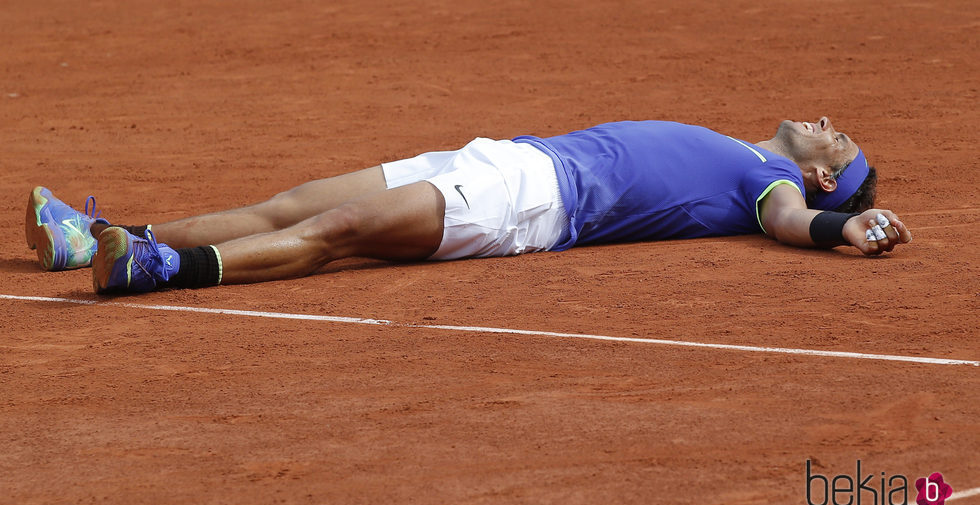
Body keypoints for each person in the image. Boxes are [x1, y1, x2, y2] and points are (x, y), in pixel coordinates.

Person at [25, 117, 912, 295]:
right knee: (290, 202)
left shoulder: (776, 187)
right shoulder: (751, 150)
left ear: (829, 178)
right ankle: (95, 240)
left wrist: (850, 229)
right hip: (507, 158)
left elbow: (793, 228)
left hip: (533, 202)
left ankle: (160, 269)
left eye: (843, 141)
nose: (831, 126)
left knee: (333, 235)